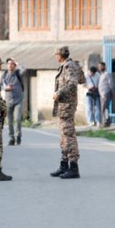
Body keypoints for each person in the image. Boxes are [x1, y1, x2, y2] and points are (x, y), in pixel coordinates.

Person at [51, 46, 83, 179]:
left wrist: (59, 92)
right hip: (63, 106)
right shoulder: (67, 66)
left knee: (68, 136)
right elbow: (82, 78)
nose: (55, 56)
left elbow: (73, 83)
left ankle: (74, 167)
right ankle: (64, 164)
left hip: (67, 106)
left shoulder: (69, 66)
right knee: (63, 136)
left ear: (61, 55)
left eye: (56, 54)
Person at [1, 57, 24, 145]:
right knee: (9, 120)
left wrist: (18, 63)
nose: (10, 65)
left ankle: (18, 136)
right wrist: (5, 88)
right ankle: (11, 138)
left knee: (18, 119)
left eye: (12, 64)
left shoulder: (18, 73)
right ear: (7, 65)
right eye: (9, 64)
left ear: (14, 65)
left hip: (18, 99)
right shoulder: (4, 74)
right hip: (8, 100)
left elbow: (24, 70)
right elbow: (1, 85)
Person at [98, 61, 113, 127]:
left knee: (105, 108)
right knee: (104, 108)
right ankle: (106, 121)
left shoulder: (107, 74)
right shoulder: (102, 75)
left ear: (104, 66)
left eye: (100, 66)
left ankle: (106, 121)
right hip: (102, 94)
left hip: (106, 93)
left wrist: (111, 92)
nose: (99, 68)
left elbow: (111, 84)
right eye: (99, 67)